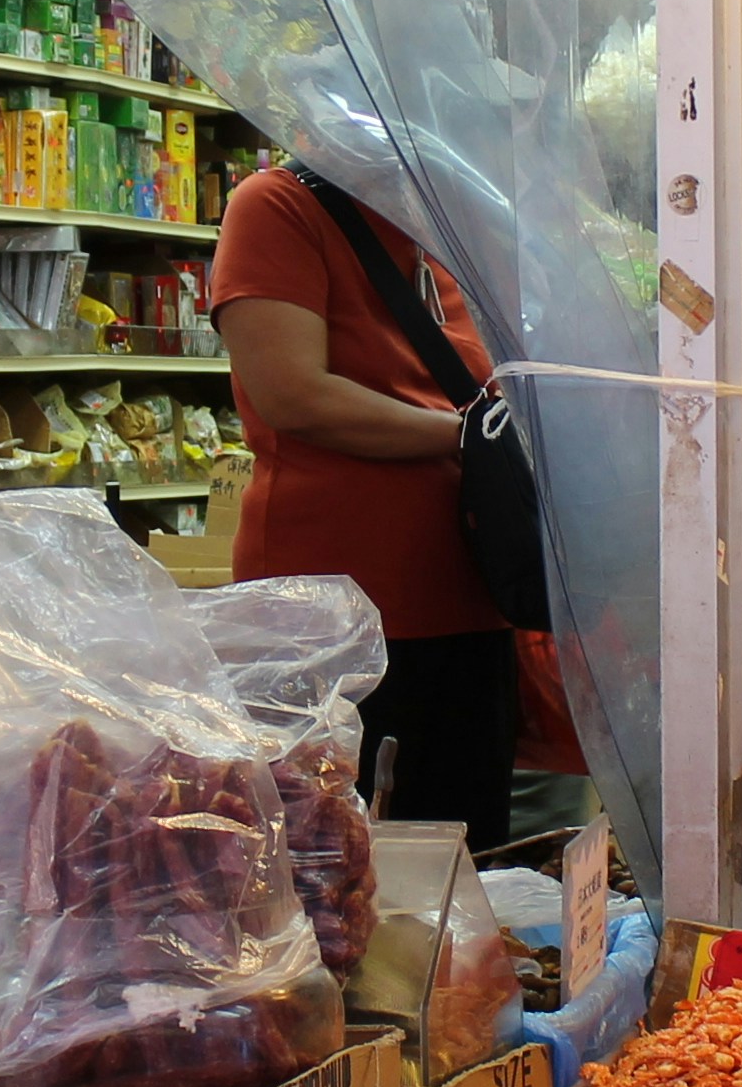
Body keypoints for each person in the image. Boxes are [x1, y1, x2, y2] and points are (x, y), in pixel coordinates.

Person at [210, 158, 520, 844]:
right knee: (330, 867)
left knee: (468, 867)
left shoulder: (448, 226)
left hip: (468, 604)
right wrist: (474, 439)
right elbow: (293, 394)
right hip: (323, 620)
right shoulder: (276, 205)